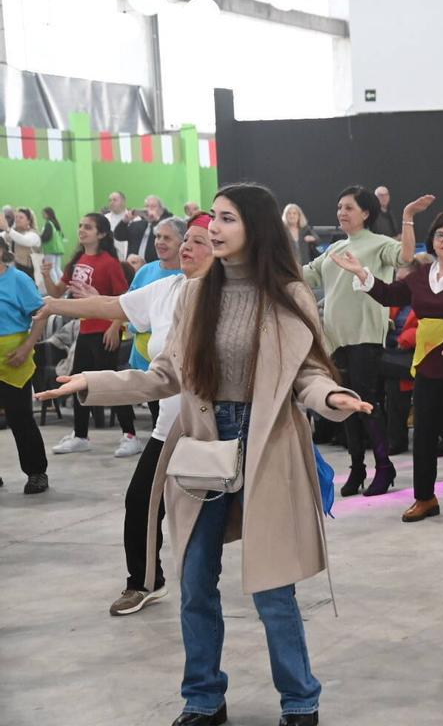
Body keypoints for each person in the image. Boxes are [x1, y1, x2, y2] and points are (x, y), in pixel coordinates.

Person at [37, 184, 369, 726]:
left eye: (227, 218)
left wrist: (331, 397)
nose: (212, 227)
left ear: (255, 228)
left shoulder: (288, 293)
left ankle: (300, 701)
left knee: (272, 588)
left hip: (267, 445)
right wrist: (92, 383)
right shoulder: (192, 295)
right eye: (212, 216)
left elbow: (306, 373)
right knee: (194, 581)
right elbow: (164, 376)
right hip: (201, 446)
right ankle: (203, 699)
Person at [37, 214, 215, 615]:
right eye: (183, 239)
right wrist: (53, 305)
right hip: (171, 423)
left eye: (198, 241)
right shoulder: (167, 288)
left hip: (219, 425)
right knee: (141, 502)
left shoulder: (228, 296)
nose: (186, 246)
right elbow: (111, 304)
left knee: (219, 512)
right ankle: (145, 582)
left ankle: (269, 587)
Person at [332, 206, 443, 524]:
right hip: (428, 364)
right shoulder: (422, 276)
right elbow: (390, 293)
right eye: (440, 234)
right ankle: (425, 497)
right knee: (424, 432)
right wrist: (362, 274)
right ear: (431, 240)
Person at [302, 186, 410, 497]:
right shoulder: (334, 249)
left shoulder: (379, 245)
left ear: (366, 212)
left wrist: (408, 220)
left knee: (366, 402)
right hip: (335, 338)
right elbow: (306, 276)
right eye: (339, 207)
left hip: (366, 335)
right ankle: (358, 467)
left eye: (348, 207)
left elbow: (404, 256)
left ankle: (384, 466)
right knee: (345, 405)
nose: (341, 212)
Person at [42, 214, 139, 458]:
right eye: (80, 226)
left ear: (102, 234)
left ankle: (130, 435)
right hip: (84, 330)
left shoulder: (109, 263)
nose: (82, 230)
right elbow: (56, 291)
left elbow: (124, 299)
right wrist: (45, 274)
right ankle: (80, 435)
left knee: (111, 384)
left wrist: (115, 326)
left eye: (88, 227)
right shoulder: (76, 261)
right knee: (77, 382)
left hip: (104, 331)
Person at [122, 218, 187, 430]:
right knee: (156, 418)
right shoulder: (145, 271)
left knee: (177, 421)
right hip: (143, 355)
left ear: (182, 242)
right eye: (158, 237)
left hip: (175, 358)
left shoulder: (187, 276)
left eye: (167, 238)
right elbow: (129, 308)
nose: (160, 242)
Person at [0, 252, 48, 493]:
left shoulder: (18, 279)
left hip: (14, 359)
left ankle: (37, 472)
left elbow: (40, 314)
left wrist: (26, 346)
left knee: (19, 417)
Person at [116, 195, 172, 262]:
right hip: (133, 266)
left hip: (154, 265)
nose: (149, 209)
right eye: (147, 206)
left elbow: (162, 235)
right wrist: (124, 221)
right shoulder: (136, 224)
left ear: (161, 210)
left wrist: (155, 220)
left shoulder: (167, 224)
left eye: (153, 206)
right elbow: (119, 236)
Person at [0, 207, 41, 278]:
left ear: (29, 221)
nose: (17, 219)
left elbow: (24, 240)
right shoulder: (12, 233)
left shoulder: (34, 235)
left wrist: (7, 228)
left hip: (31, 273)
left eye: (21, 217)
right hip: (16, 271)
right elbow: (2, 235)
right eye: (16, 217)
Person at [40, 206, 65, 279]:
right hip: (58, 249)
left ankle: (56, 286)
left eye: (43, 213)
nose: (42, 215)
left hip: (50, 249)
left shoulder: (48, 224)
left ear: (48, 214)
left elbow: (46, 236)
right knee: (57, 268)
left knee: (51, 269)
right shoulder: (56, 224)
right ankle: (63, 286)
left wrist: (39, 237)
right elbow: (62, 236)